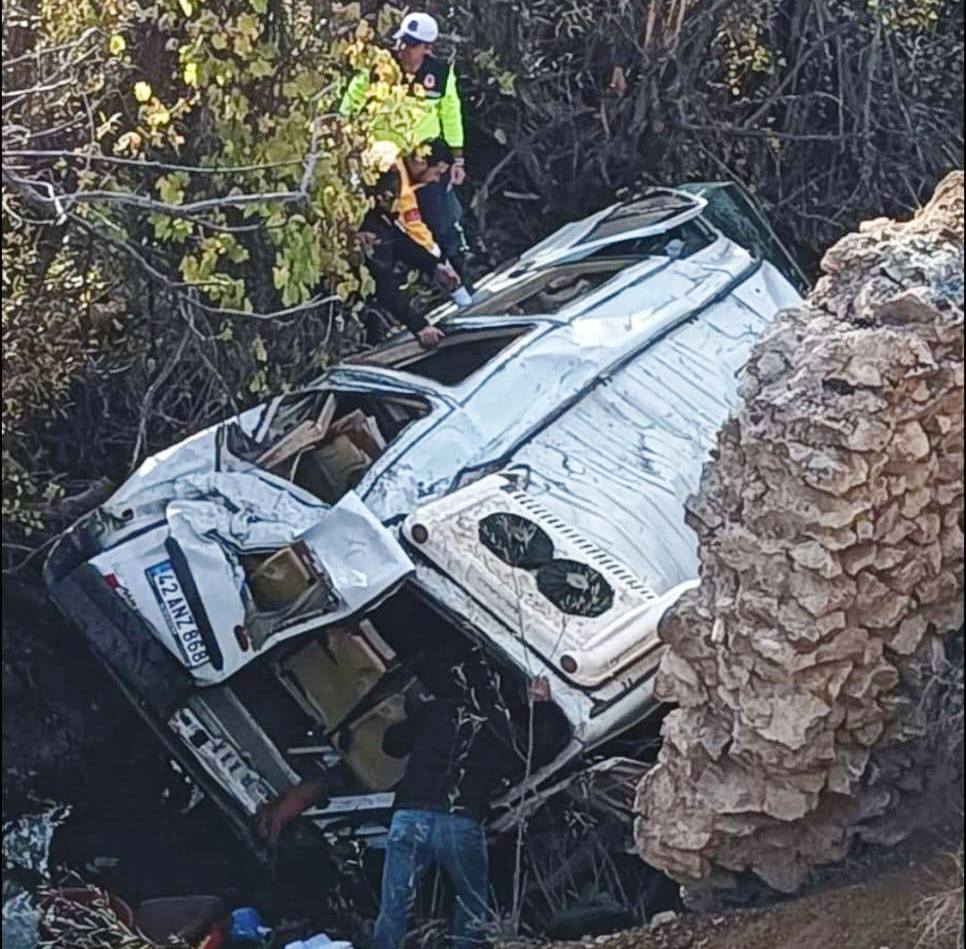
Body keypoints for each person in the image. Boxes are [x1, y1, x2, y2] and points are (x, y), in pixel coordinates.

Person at [372, 645, 569, 949]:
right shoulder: (498, 723)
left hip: (410, 816)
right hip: (460, 821)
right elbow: (535, 750)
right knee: (472, 903)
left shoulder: (436, 710)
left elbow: (392, 745)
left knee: (394, 905)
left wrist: (410, 715)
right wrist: (540, 705)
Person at [340, 12, 470, 275]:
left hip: (424, 160)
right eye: (401, 41)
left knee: (440, 218)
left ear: (427, 48)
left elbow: (450, 114)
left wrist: (457, 158)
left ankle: (460, 272)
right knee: (396, 224)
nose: (402, 48)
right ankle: (426, 274)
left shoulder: (441, 74)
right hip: (385, 161)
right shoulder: (379, 67)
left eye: (411, 45)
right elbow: (350, 104)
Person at [359, 167, 453, 347]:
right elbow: (384, 285)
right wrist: (419, 326)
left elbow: (399, 242)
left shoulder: (379, 218)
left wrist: (434, 266)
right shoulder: (370, 231)